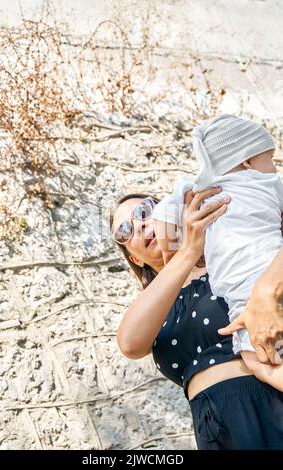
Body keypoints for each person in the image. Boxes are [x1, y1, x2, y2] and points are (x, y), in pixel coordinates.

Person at [111, 190, 283, 449]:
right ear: (135, 258)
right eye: (125, 231)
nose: (140, 224)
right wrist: (187, 252)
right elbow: (130, 344)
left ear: (170, 212)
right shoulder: (155, 309)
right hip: (213, 426)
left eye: (144, 211)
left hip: (270, 395)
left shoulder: (226, 258)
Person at [151, 115, 283, 390]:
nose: (273, 167)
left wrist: (170, 254)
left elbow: (162, 214)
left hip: (241, 298)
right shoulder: (270, 184)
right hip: (272, 269)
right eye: (269, 158)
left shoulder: (197, 189)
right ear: (247, 161)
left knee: (257, 360)